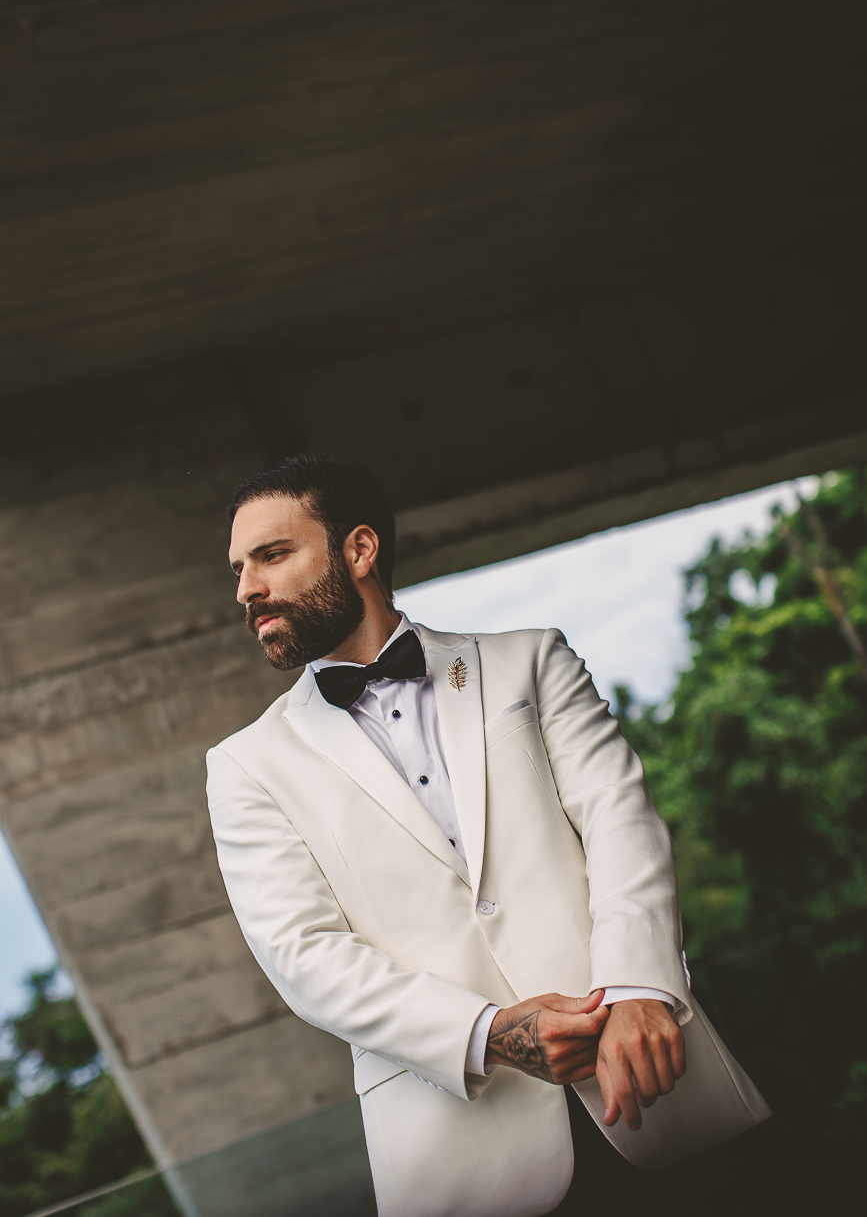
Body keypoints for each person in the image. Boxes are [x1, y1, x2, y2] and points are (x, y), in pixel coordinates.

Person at [206, 453, 769, 1217]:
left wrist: (640, 988)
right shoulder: (244, 767)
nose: (247, 588)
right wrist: (488, 1033)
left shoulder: (530, 661)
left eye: (271, 555)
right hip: (464, 1162)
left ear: (359, 549)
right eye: (239, 568)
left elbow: (619, 819)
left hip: (656, 1087)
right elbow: (303, 955)